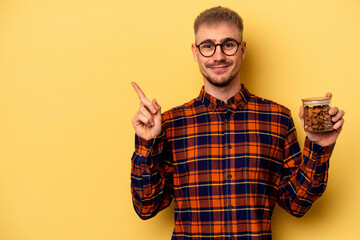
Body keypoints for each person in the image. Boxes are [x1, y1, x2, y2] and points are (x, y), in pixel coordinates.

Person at [130, 6, 345, 240]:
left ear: (242, 49)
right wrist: (146, 144)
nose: (218, 56)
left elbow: (297, 205)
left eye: (228, 44)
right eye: (208, 46)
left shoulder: (278, 119)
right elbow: (146, 207)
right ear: (195, 51)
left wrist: (319, 147)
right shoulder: (171, 123)